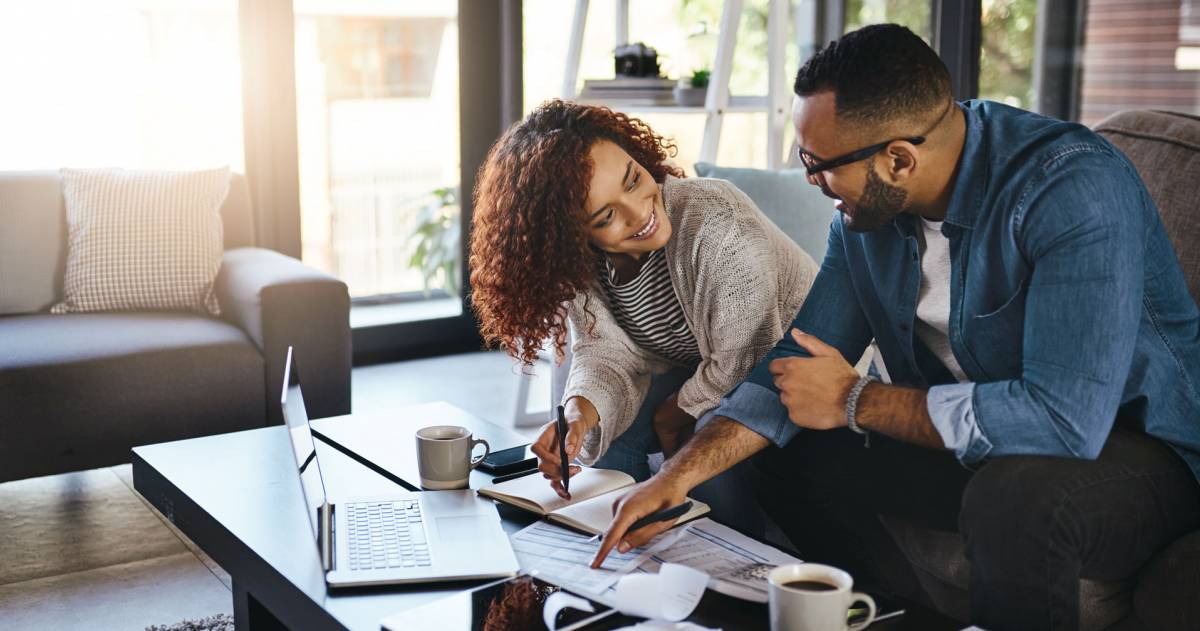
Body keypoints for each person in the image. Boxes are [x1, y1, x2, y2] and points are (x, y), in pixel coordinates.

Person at [592, 24, 1200, 630]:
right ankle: (887, 617)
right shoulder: (865, 220)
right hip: (986, 446)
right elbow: (794, 365)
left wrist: (858, 400)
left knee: (1015, 499)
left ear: (899, 159)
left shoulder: (1072, 190)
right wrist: (673, 480)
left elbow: (1065, 421)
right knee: (789, 452)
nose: (810, 180)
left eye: (818, 163)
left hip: (1138, 452)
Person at [469, 99, 818, 533]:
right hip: (705, 369)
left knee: (707, 431)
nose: (640, 212)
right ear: (573, 237)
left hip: (786, 371)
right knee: (611, 443)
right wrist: (578, 414)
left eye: (634, 180)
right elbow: (608, 352)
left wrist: (673, 415)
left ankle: (729, 559)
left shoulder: (715, 223)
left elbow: (745, 361)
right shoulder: (584, 265)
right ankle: (614, 544)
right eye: (607, 215)